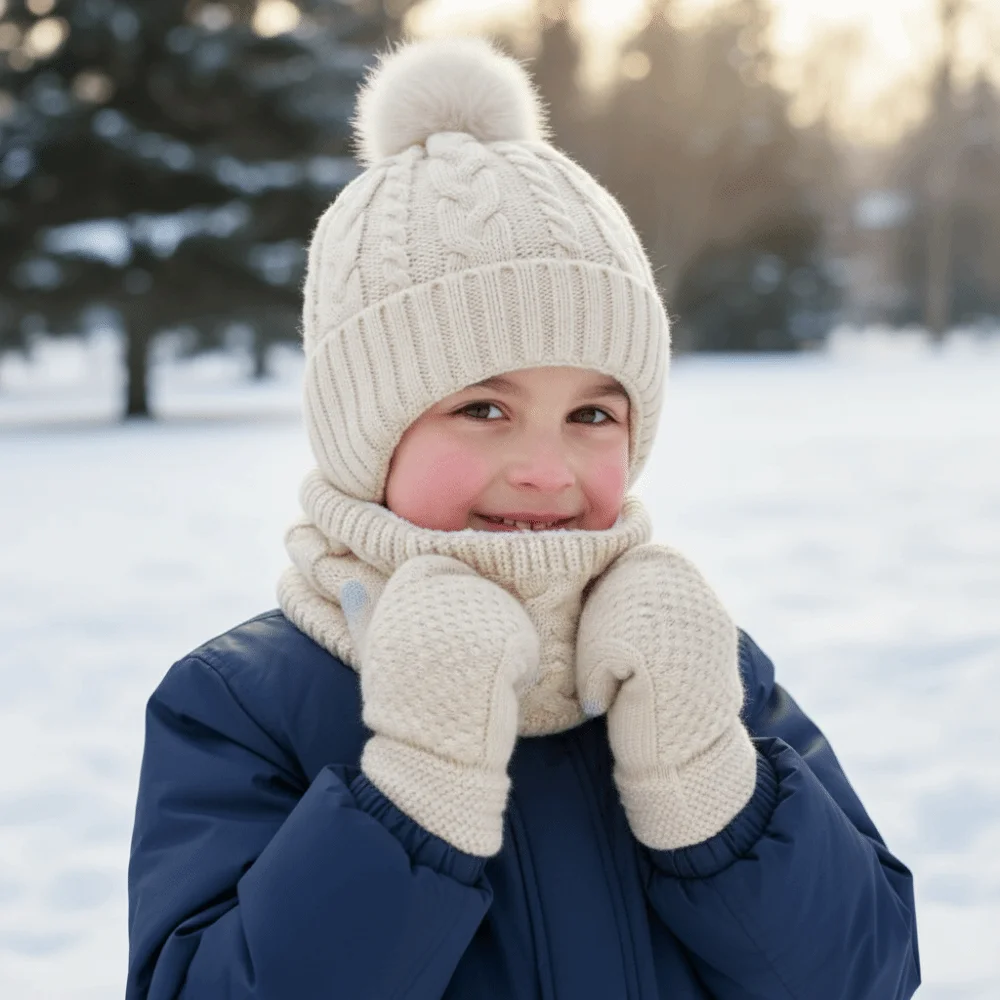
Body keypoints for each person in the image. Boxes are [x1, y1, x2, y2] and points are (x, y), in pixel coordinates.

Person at [126, 36, 920, 1000]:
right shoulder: (244, 703)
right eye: (482, 408)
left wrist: (711, 784)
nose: (546, 470)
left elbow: (865, 975)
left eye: (593, 414)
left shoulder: (701, 664)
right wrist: (414, 793)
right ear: (364, 433)